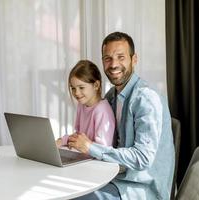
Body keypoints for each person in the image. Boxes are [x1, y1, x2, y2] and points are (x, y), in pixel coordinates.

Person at [68, 32, 175, 200]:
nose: (113, 64)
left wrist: (91, 148)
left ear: (134, 60)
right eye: (107, 58)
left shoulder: (146, 99)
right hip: (114, 177)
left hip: (141, 189)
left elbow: (142, 158)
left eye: (120, 57)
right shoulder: (112, 96)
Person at [56, 60, 116, 147]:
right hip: (83, 156)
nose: (76, 93)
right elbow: (78, 136)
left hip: (97, 160)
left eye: (81, 87)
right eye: (73, 88)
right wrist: (63, 140)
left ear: (96, 85)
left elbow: (102, 150)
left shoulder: (102, 111)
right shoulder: (82, 105)